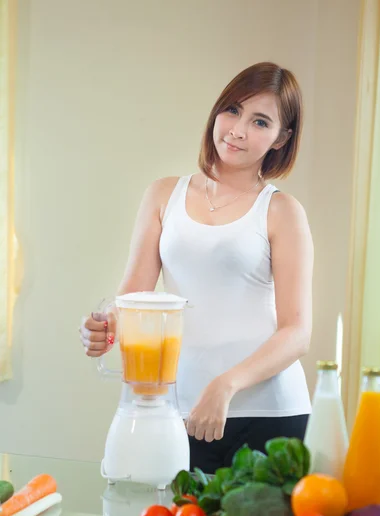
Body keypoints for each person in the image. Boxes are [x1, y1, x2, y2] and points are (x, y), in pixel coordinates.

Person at [79, 62, 314, 474]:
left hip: (268, 415)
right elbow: (134, 298)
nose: (238, 130)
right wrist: (102, 325)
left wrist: (225, 385)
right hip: (178, 411)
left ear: (282, 138)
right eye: (232, 110)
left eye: (260, 121)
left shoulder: (281, 211)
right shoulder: (163, 194)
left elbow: (297, 333)